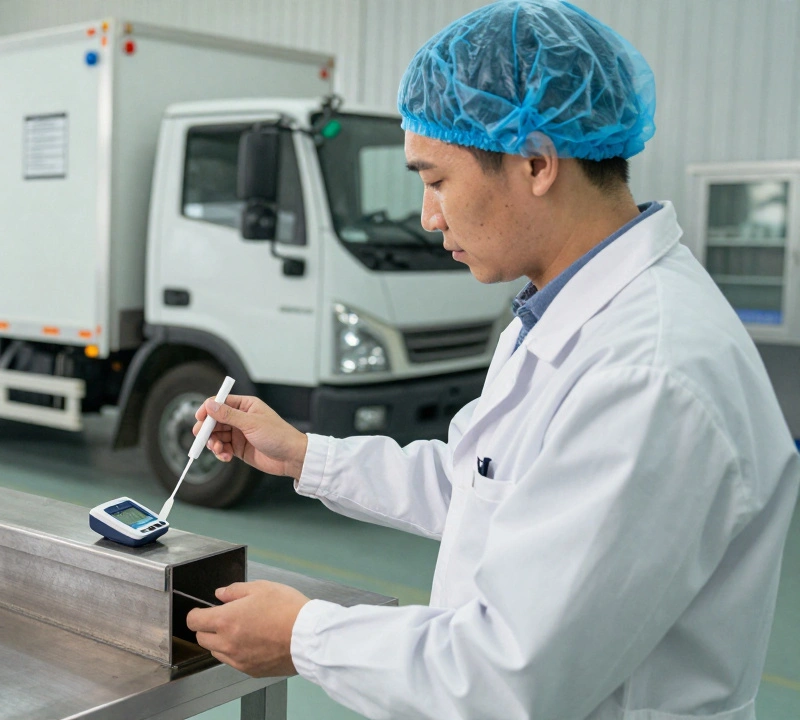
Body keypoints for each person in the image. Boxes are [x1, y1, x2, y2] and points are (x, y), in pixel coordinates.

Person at [184, 1, 800, 718]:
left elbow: (506, 674)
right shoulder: (556, 312)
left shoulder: (648, 375)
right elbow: (483, 486)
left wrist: (302, 635)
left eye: (437, 180)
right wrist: (303, 455)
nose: (428, 216)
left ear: (536, 163)